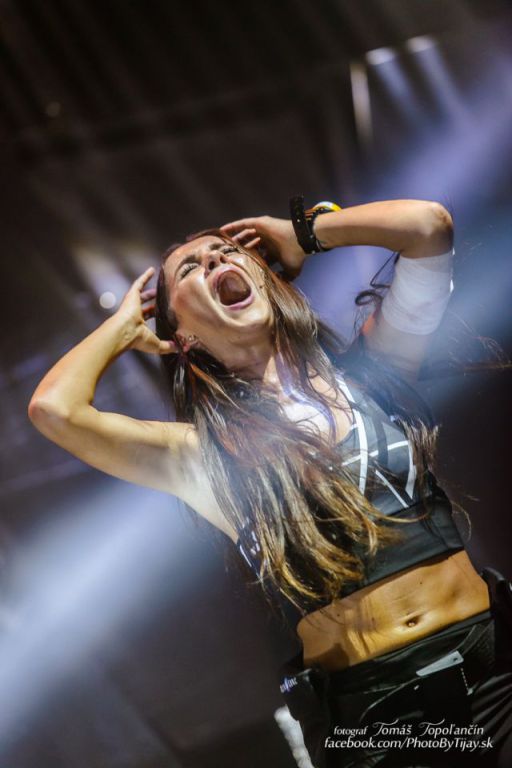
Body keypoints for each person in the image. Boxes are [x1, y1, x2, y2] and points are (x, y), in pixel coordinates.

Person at [28, 198, 512, 767]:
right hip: (377, 718)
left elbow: (428, 226)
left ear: (266, 279)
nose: (215, 261)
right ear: (183, 339)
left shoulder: (376, 370)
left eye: (226, 252)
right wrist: (121, 327)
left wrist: (302, 233)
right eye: (190, 269)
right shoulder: (202, 457)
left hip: (493, 670)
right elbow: (54, 409)